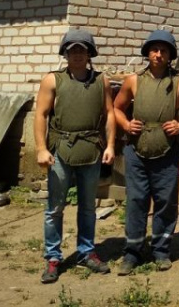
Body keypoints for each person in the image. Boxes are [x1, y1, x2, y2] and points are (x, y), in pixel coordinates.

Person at [113, 30, 179, 275]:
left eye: (164, 50)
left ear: (171, 55)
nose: (158, 54)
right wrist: (125, 124)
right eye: (154, 49)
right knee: (136, 201)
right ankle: (132, 252)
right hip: (136, 151)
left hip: (168, 152)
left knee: (166, 202)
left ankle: (161, 250)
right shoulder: (133, 80)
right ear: (147, 52)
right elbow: (117, 108)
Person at [34, 29, 116, 284]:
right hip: (60, 150)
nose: (78, 54)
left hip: (91, 149)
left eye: (82, 49)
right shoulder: (52, 80)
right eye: (73, 50)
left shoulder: (101, 80)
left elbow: (110, 114)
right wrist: (41, 148)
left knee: (88, 207)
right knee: (54, 208)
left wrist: (110, 145)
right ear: (66, 53)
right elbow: (40, 114)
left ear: (90, 53)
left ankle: (86, 252)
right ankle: (53, 257)